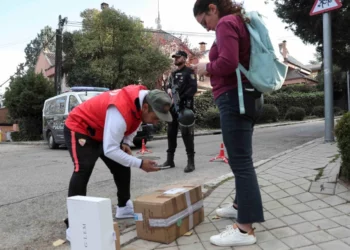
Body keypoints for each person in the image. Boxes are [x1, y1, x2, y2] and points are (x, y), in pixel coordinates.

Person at [192, 0, 264, 247]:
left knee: (241, 162)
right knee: (239, 158)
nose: (206, 28)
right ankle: (239, 206)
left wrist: (205, 67)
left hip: (235, 98)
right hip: (245, 96)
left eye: (204, 21)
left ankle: (245, 230)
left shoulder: (225, 23)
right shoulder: (237, 21)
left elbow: (227, 63)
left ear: (212, 8)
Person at [63, 84, 172, 232]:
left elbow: (136, 121)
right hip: (81, 127)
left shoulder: (143, 100)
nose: (156, 122)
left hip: (102, 129)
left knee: (122, 163)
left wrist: (126, 142)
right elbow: (110, 150)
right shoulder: (120, 110)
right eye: (156, 117)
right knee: (83, 168)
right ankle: (74, 223)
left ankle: (124, 206)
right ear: (146, 107)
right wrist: (140, 164)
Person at [160, 50, 198, 173]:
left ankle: (191, 162)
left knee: (187, 135)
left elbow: (193, 88)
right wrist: (169, 90)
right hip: (173, 108)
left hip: (185, 108)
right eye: (175, 57)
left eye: (178, 57)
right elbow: (168, 86)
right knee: (171, 134)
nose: (175, 59)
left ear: (185, 58)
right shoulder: (173, 73)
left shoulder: (189, 72)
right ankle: (170, 160)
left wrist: (181, 98)